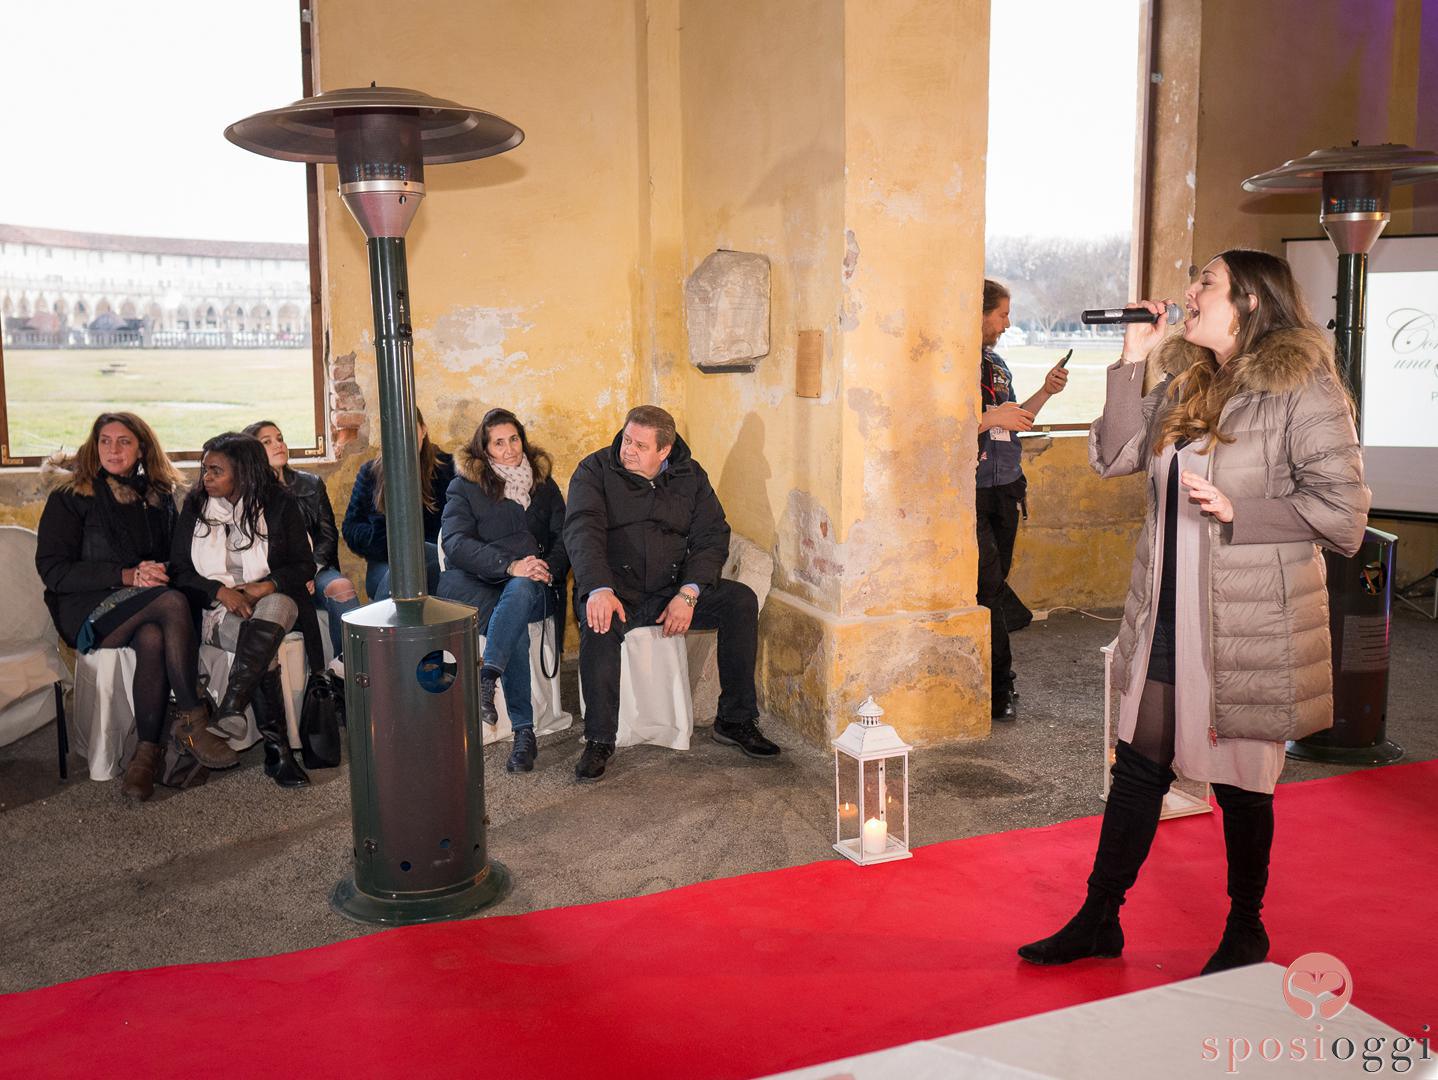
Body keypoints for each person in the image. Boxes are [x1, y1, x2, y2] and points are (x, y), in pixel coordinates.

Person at [1017, 249, 1369, 974]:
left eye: (1206, 281)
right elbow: (1115, 455)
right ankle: (1099, 918)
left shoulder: (1304, 387)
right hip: (1165, 610)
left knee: (1241, 783)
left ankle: (1246, 928)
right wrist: (1131, 359)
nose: (1189, 291)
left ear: (1250, 300)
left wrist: (1244, 510)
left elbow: (1343, 516)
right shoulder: (1188, 380)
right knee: (1138, 767)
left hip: (1248, 617)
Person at [564, 405, 779, 783]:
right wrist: (598, 587)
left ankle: (735, 719)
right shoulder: (594, 471)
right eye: (626, 439)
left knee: (740, 601)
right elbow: (583, 531)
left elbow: (712, 536)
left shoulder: (690, 475)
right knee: (599, 622)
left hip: (671, 589)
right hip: (617, 590)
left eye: (640, 445)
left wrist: (689, 593)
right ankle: (599, 739)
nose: (627, 450)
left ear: (664, 450)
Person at [35, 412, 237, 800]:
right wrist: (127, 575)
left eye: (124, 441)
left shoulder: (157, 497)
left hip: (144, 606)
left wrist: (157, 572)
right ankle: (193, 718)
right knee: (172, 603)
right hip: (85, 607)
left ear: (141, 449)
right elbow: (53, 570)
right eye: (105, 441)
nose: (113, 449)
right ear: (94, 447)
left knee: (152, 637)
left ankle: (146, 755)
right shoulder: (71, 496)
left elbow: (173, 559)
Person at [172, 432, 316, 789]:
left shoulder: (279, 503)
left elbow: (303, 565)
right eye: (205, 469)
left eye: (216, 471)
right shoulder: (196, 506)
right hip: (217, 610)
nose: (206, 478)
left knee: (275, 608)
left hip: (272, 599)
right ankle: (277, 750)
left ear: (244, 472)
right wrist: (220, 592)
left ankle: (233, 705)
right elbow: (179, 570)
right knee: (261, 644)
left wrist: (265, 586)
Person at [437, 408, 568, 774]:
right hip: (478, 582)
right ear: (484, 448)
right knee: (514, 615)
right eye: (499, 443)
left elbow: (564, 536)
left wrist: (546, 569)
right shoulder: (465, 486)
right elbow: (455, 543)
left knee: (520, 594)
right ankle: (525, 732)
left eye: (514, 439)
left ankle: (488, 677)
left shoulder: (543, 484)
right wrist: (509, 566)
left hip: (533, 582)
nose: (509, 449)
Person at [976, 279, 1068, 721]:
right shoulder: (948, 364)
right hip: (971, 491)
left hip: (1007, 486)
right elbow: (933, 424)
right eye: (1002, 315)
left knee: (993, 589)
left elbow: (1017, 419)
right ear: (979, 314)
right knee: (990, 590)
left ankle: (995, 684)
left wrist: (1047, 390)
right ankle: (998, 687)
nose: (1007, 324)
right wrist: (986, 418)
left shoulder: (997, 364)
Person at [244, 419, 359, 671]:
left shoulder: (311, 484)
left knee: (342, 587)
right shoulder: (248, 494)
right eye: (267, 442)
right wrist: (290, 577)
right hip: (273, 574)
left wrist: (311, 571)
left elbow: (327, 535)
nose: (279, 445)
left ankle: (349, 669)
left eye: (280, 438)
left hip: (315, 568)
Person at [342, 408, 454, 600]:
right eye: (395, 431)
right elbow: (351, 528)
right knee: (401, 574)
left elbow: (458, 524)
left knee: (423, 561)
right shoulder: (370, 472)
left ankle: (380, 619)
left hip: (435, 560)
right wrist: (384, 542)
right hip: (386, 562)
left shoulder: (448, 469)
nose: (404, 438)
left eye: (411, 429)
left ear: (423, 430)